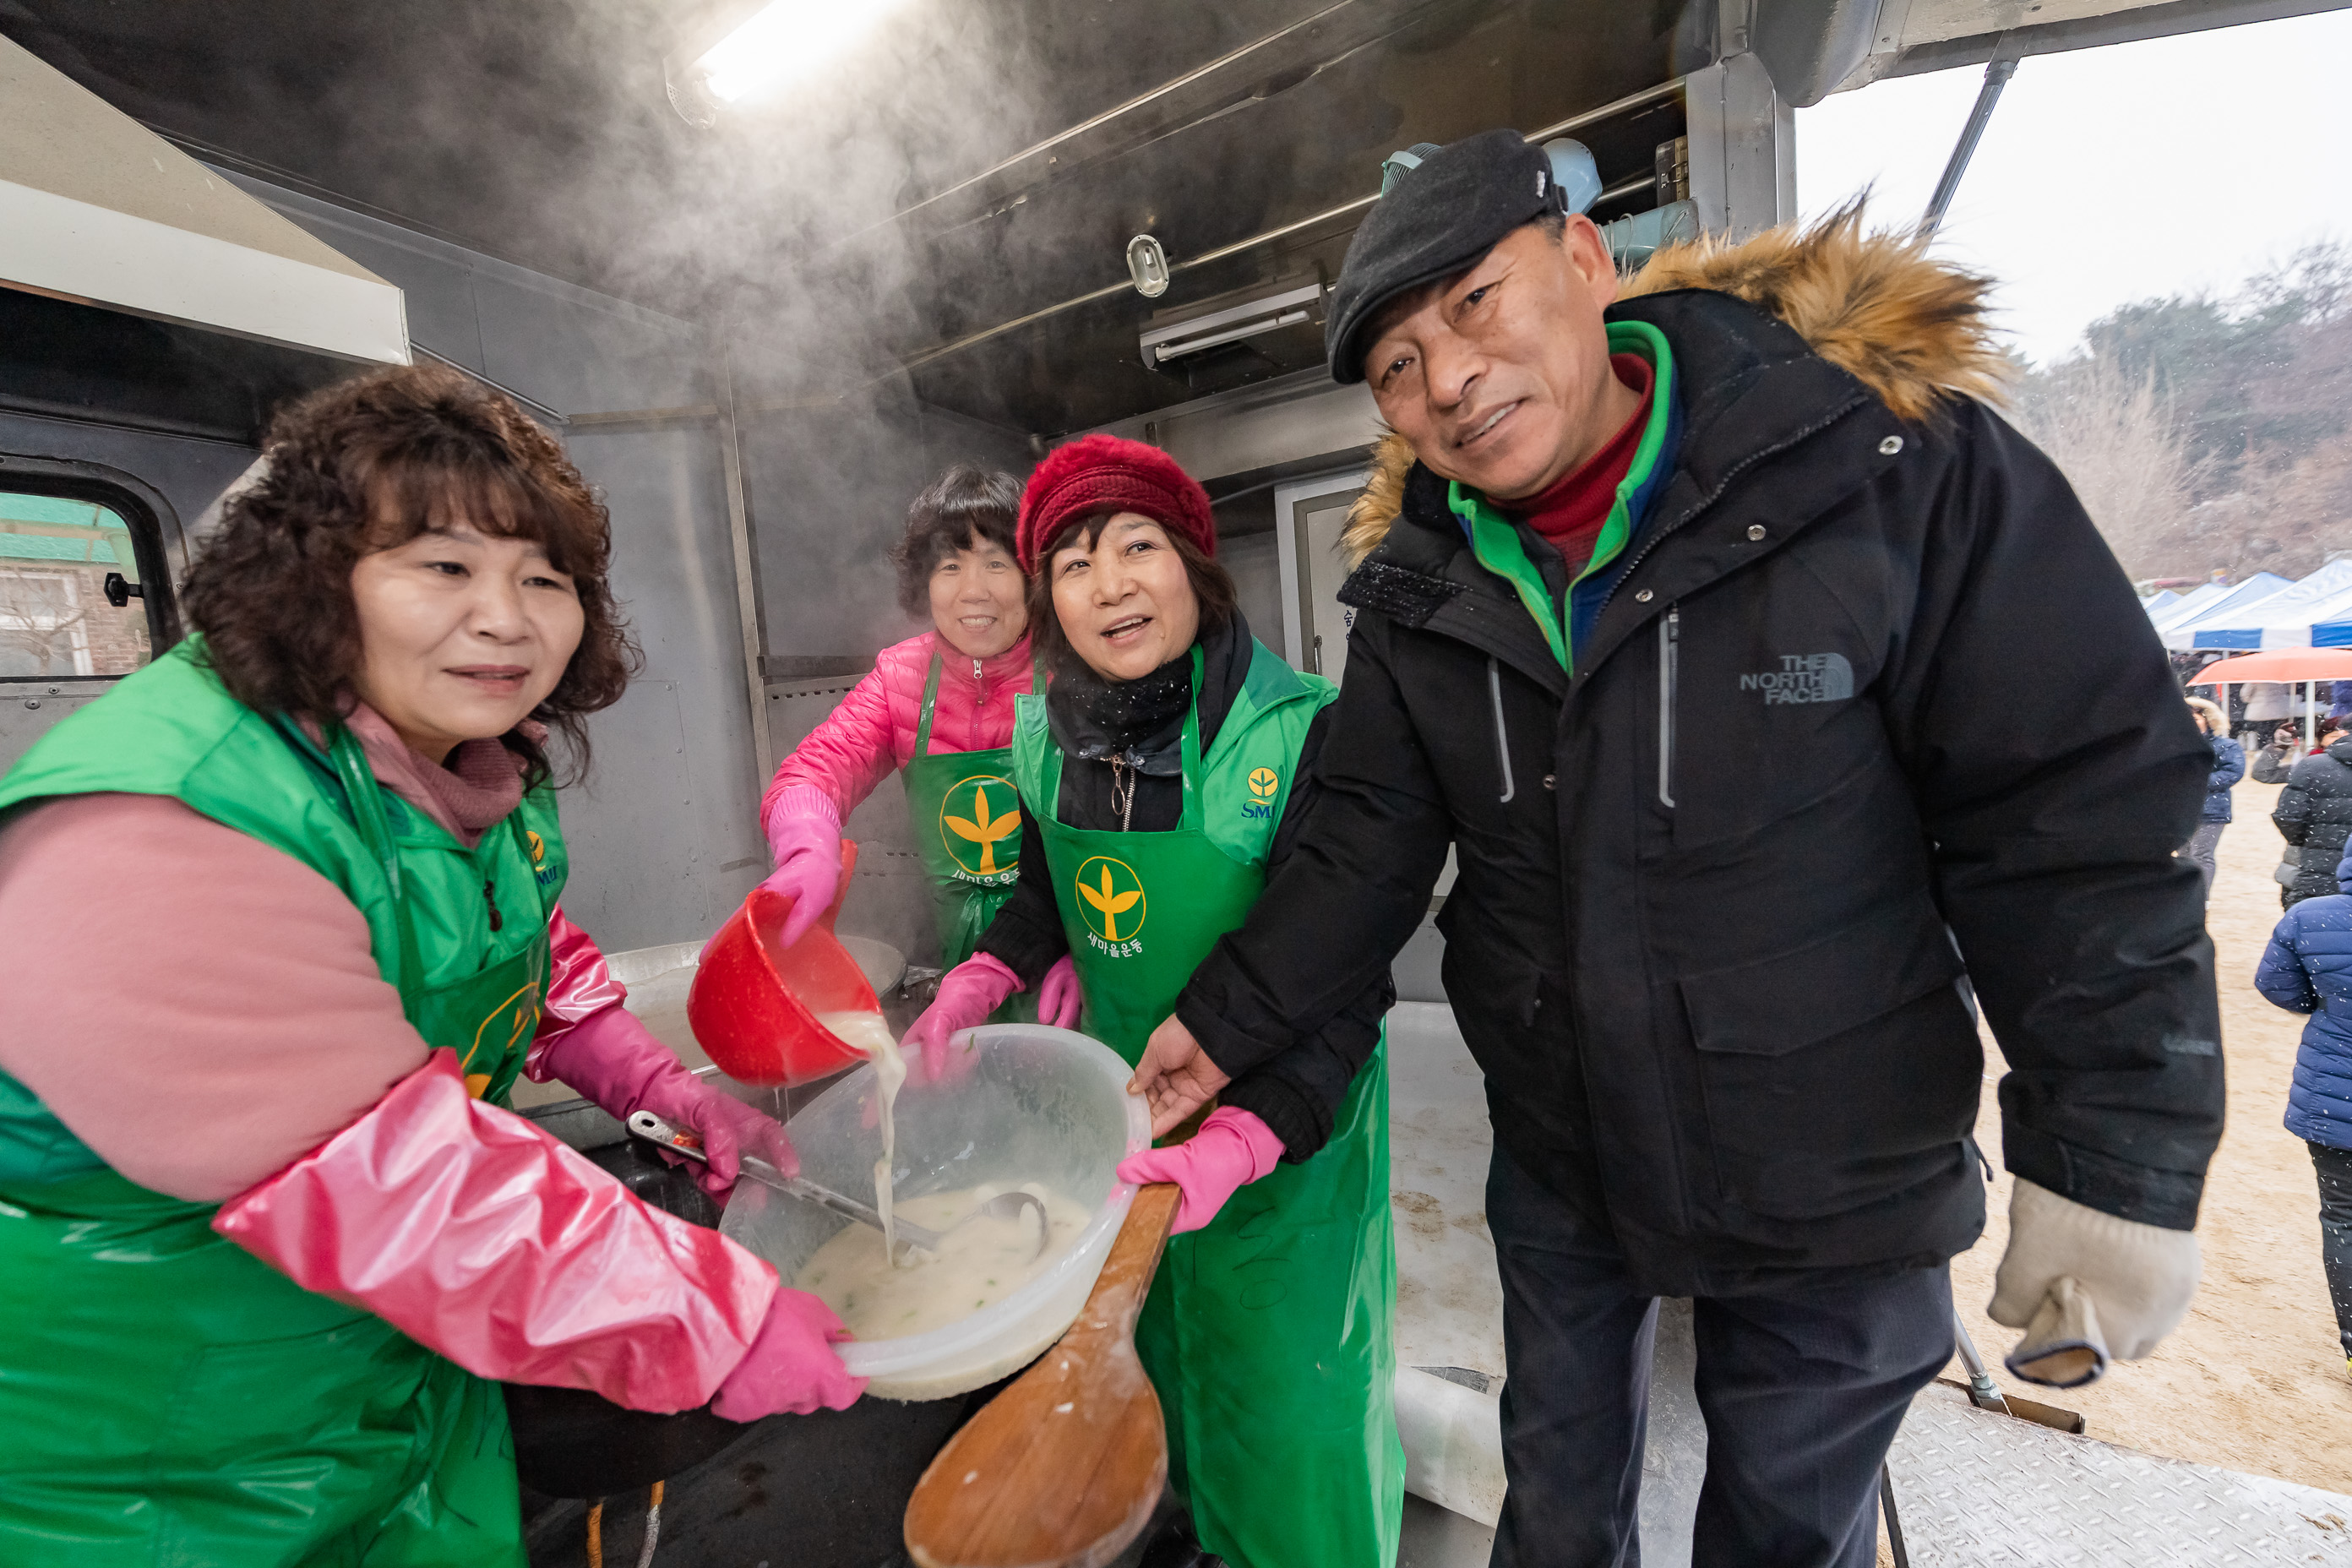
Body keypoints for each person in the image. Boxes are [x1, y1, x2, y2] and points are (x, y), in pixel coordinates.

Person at [1128, 131, 2222, 1567]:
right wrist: (1218, 1027)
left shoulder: (1881, 463)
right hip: (1565, 1154)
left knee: (1777, 1527)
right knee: (1556, 1504)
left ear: (1585, 262)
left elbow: (2068, 806)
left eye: (1471, 301)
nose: (1445, 378)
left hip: (1831, 1169)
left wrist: (2109, 1158)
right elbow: (1360, 845)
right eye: (1393, 364)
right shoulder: (1417, 590)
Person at [0, 367, 861, 1565]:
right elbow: (387, 1179)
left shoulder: (466, 768)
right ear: (315, 576)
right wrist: (715, 1315)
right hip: (151, 1461)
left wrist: (667, 1094)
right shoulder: (164, 817)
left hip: (378, 1394)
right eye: (444, 568)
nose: (507, 619)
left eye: (544, 580)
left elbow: (520, 960)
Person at [904, 435, 1402, 1568]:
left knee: (1293, 1417)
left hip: (1284, 1142)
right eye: (1074, 563)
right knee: (1153, 1379)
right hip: (1126, 1129)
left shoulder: (1305, 730)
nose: (1111, 582)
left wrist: (1246, 1137)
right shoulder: (1039, 734)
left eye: (1139, 546)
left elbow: (1347, 977)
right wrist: (992, 969)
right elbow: (1049, 889)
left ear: (1196, 568)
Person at [759, 469, 1070, 1024]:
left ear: (1032, 577)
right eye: (950, 566)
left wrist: (1083, 953)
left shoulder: (1074, 669)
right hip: (963, 983)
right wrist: (808, 843)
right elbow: (814, 772)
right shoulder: (900, 677)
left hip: (1075, 971)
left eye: (996, 563)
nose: (974, 590)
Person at [2253, 840, 2352, 1375]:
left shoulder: (2310, 917)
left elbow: (2275, 984)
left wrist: (2329, 1004)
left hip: (2337, 1097)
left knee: (2344, 1217)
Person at [2274, 723, 2352, 908]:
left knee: (2312, 926)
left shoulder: (2312, 765)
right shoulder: (2313, 764)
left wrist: (2313, 840)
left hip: (2318, 873)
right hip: (2318, 864)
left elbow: (2289, 817)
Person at [2183, 695, 2243, 893]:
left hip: (2211, 810)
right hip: (2178, 809)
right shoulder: (2171, 745)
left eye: (2195, 718)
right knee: (2182, 854)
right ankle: (2182, 896)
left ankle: (2200, 897)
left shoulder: (2226, 746)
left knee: (2201, 854)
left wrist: (2197, 782)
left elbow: (2233, 772)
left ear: (2208, 720)